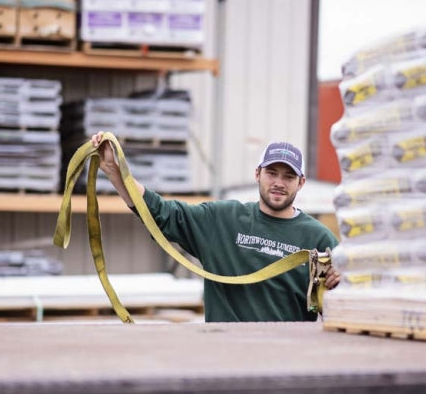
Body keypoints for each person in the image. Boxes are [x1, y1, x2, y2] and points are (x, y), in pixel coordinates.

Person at [91, 132, 341, 322]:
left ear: (301, 183)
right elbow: (160, 212)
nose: (278, 183)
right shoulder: (222, 220)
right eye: (272, 173)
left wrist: (341, 282)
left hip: (285, 363)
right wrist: (115, 171)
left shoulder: (318, 238)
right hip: (223, 356)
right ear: (257, 174)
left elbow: (350, 294)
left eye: (288, 177)